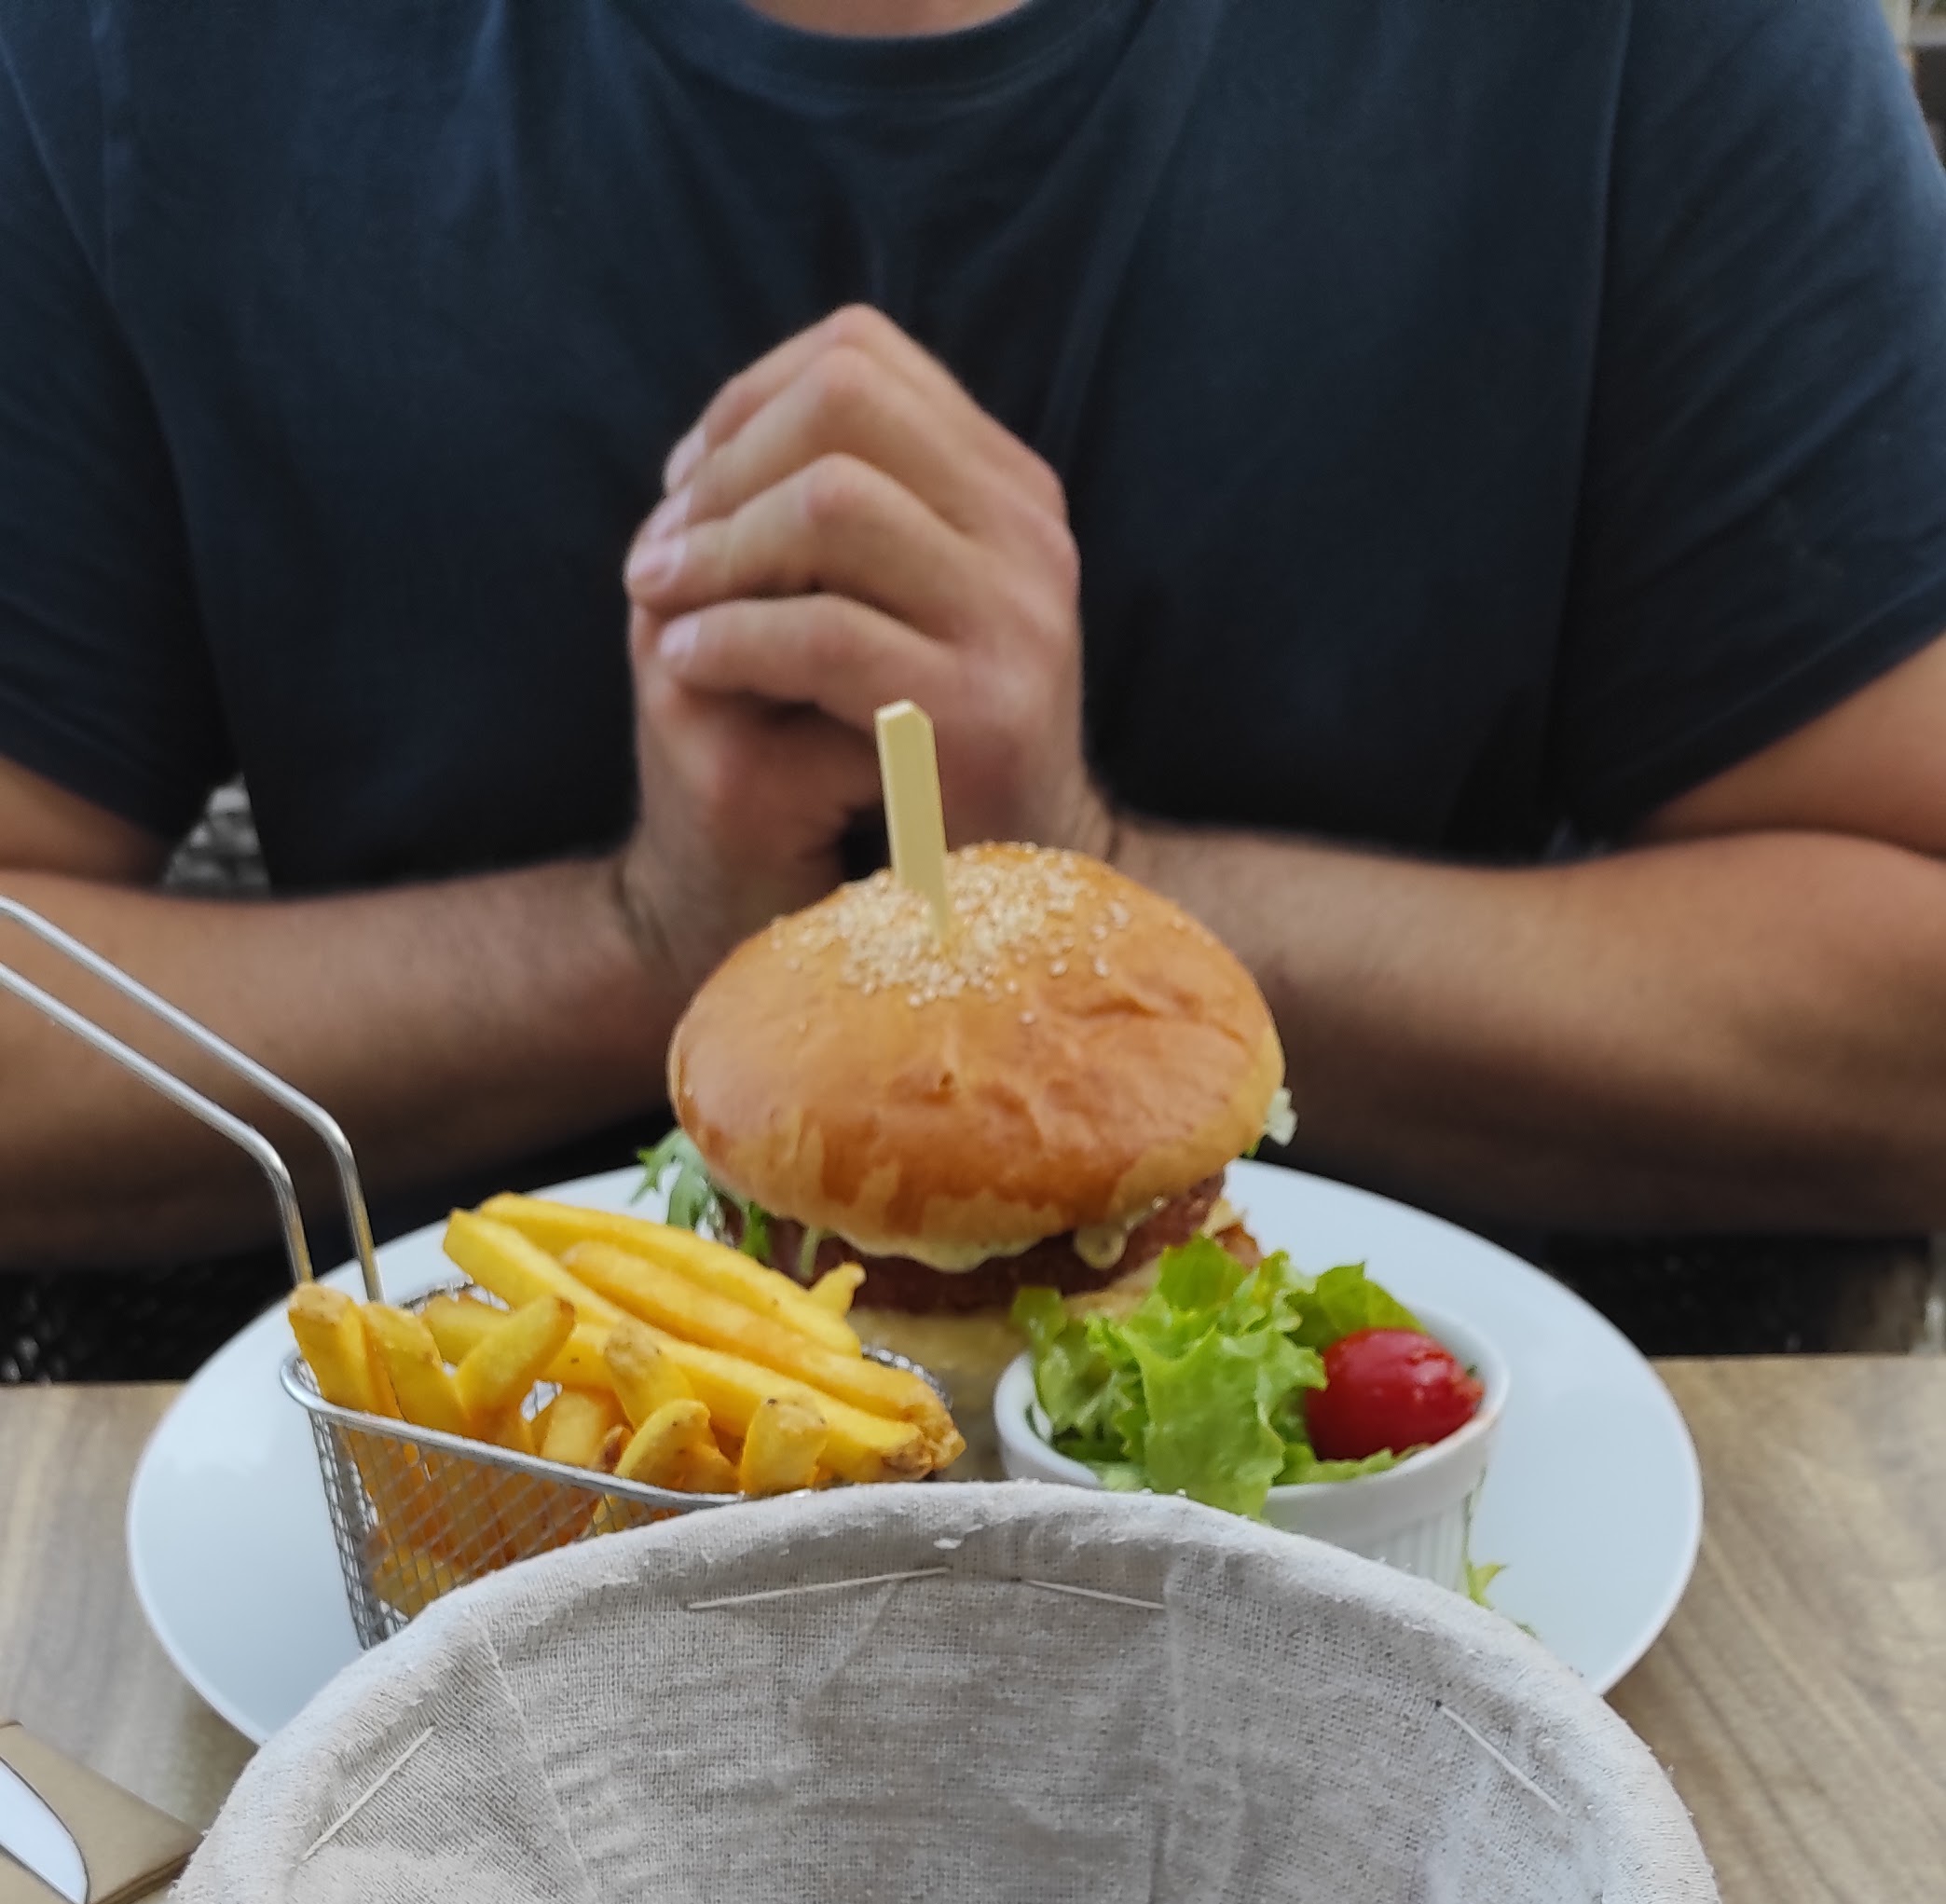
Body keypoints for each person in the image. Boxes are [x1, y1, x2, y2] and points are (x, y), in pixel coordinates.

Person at [5, 0, 1946, 1274]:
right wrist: (643, 946)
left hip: (1469, 1596)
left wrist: (1090, 891)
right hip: (415, 1609)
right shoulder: (125, 55)